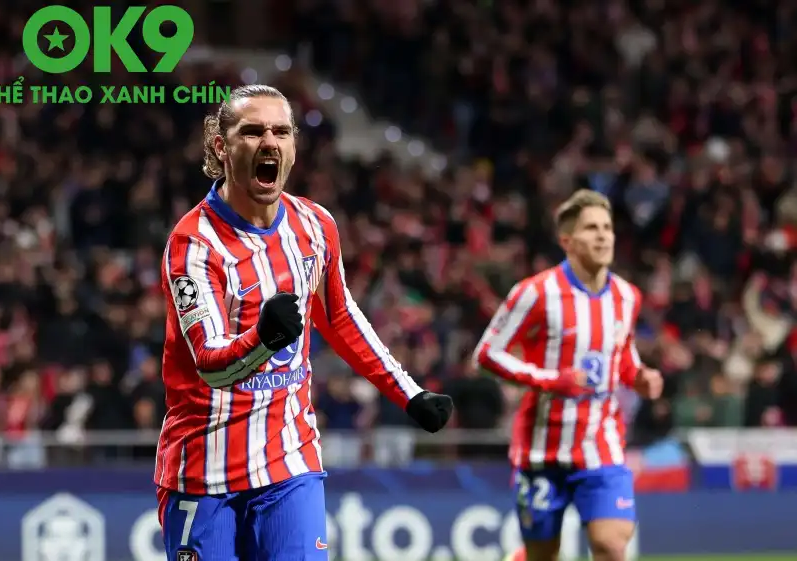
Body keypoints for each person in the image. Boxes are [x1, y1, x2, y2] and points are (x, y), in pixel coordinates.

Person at [155, 84, 454, 561]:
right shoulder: (193, 243)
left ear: (293, 146)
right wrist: (264, 339)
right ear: (220, 147)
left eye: (281, 131)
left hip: (289, 460)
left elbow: (341, 318)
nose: (268, 142)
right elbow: (210, 364)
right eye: (252, 131)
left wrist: (409, 393)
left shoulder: (314, 226)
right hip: (204, 471)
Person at [472, 189, 663, 561]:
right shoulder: (535, 293)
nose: (603, 236)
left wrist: (638, 375)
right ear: (567, 241)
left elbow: (620, 353)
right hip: (542, 450)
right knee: (543, 555)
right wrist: (550, 380)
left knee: (611, 545)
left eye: (607, 227)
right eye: (591, 228)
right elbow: (486, 355)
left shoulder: (627, 297)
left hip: (601, 446)